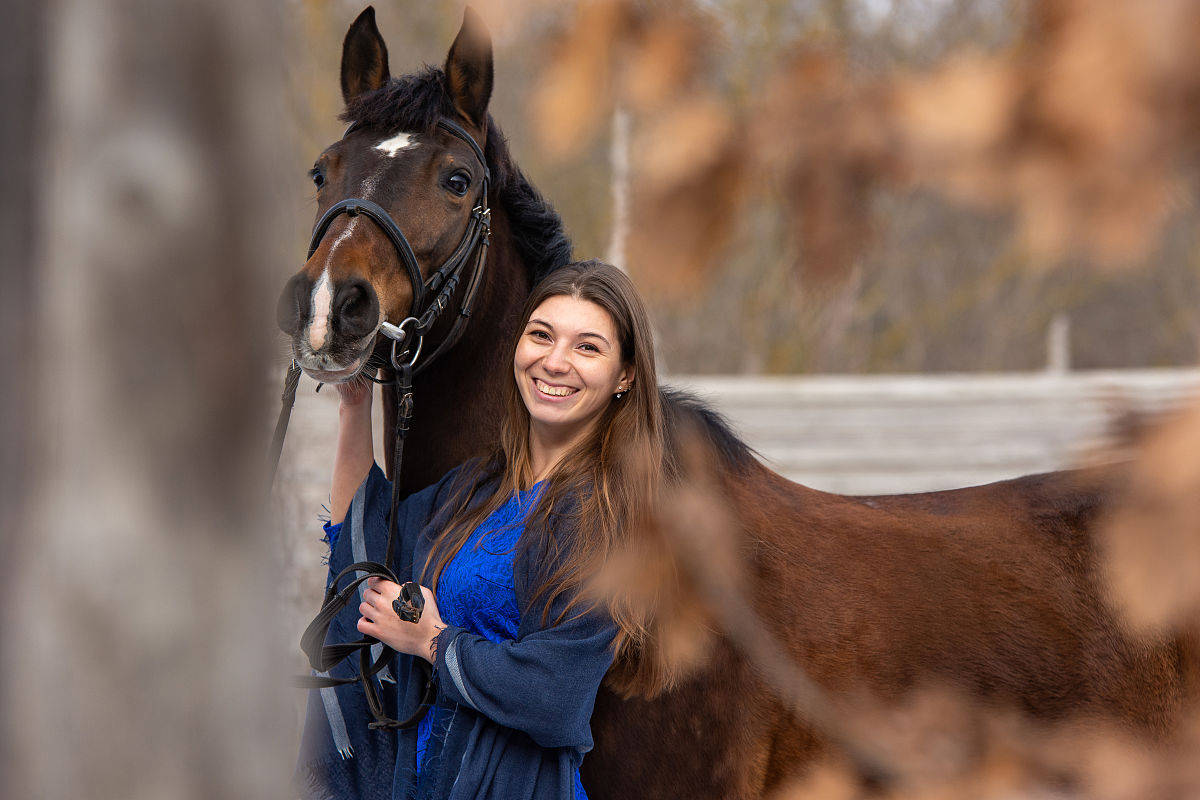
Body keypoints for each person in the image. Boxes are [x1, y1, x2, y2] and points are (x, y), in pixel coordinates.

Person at [297, 260, 665, 800]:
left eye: (587, 347)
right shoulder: (475, 488)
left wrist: (431, 642)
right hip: (423, 777)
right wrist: (354, 408)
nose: (555, 361)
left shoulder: (608, 515)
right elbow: (366, 545)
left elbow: (555, 694)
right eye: (541, 336)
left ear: (625, 375)